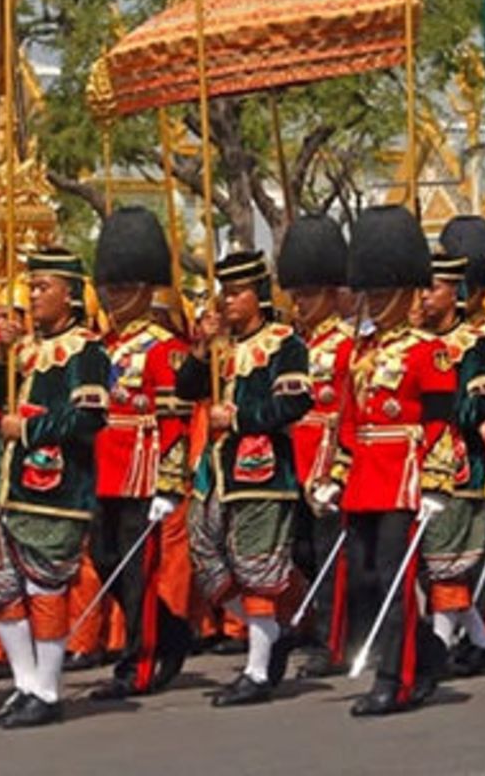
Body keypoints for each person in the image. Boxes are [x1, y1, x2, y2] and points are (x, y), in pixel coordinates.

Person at [313, 206, 457, 717]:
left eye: (380, 292)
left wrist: (439, 479)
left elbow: (442, 420)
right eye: (369, 292)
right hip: (365, 479)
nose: (372, 301)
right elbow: (351, 419)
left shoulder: (428, 351)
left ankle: (394, 678)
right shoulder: (362, 351)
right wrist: (336, 473)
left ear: (406, 290)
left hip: (403, 477)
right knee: (368, 579)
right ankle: (424, 657)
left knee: (395, 582)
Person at [0, 249, 110, 729]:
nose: (32, 296)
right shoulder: (22, 347)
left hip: (57, 488)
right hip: (7, 486)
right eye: (29, 287)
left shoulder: (87, 350)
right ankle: (24, 683)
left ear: (69, 294)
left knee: (45, 586)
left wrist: (29, 430)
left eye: (42, 287)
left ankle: (48, 690)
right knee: (2, 587)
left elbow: (90, 417)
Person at [179, 248, 313, 707]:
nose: (227, 303)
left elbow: (294, 404)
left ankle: (256, 669)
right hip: (215, 470)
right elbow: (185, 389)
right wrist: (200, 348)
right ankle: (274, 628)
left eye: (235, 294)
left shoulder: (284, 343)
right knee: (206, 554)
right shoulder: (221, 346)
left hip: (263, 470)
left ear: (257, 295)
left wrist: (238, 419)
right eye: (224, 294)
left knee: (256, 567)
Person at [86, 208, 193, 699]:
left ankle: (142, 663)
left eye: (124, 286)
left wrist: (168, 485)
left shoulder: (162, 348)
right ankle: (169, 634)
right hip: (102, 470)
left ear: (145, 289)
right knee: (105, 560)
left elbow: (175, 421)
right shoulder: (102, 346)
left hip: (141, 471)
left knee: (135, 571)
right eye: (110, 286)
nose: (114, 295)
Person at [415, 220, 485, 679]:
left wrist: (437, 401)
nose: (423, 298)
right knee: (427, 566)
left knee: (446, 565)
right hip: (413, 466)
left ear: (454, 292)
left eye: (432, 289)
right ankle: (481, 639)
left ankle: (435, 649)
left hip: (458, 465)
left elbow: (482, 407)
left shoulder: (475, 344)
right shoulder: (409, 343)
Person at [273, 214, 352, 680]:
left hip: (328, 460)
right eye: (296, 295)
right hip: (294, 459)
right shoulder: (294, 343)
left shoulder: (346, 344)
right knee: (302, 552)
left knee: (332, 557)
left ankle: (334, 641)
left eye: (308, 294)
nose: (300, 303)